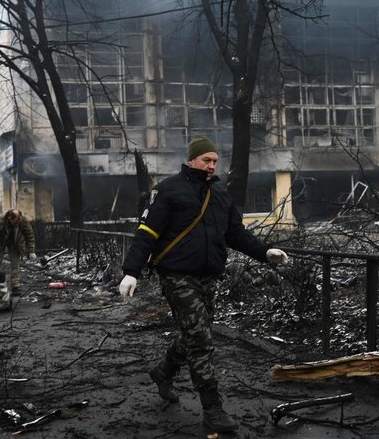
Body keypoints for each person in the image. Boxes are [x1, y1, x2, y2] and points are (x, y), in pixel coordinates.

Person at [118, 137, 288, 432]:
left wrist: (264, 252)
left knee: (195, 333)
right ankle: (213, 410)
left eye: (215, 161)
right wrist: (131, 270)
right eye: (206, 160)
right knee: (200, 340)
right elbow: (146, 232)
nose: (211, 166)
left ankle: (163, 371)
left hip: (208, 276)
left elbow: (236, 234)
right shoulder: (168, 190)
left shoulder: (220, 193)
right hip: (176, 275)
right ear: (192, 160)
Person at [0, 209, 37, 293]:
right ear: (9, 218)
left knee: (15, 263)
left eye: (18, 220)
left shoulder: (22, 221)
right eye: (14, 221)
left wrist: (31, 250)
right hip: (0, 241)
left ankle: (15, 286)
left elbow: (29, 235)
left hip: (14, 242)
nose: (16, 223)